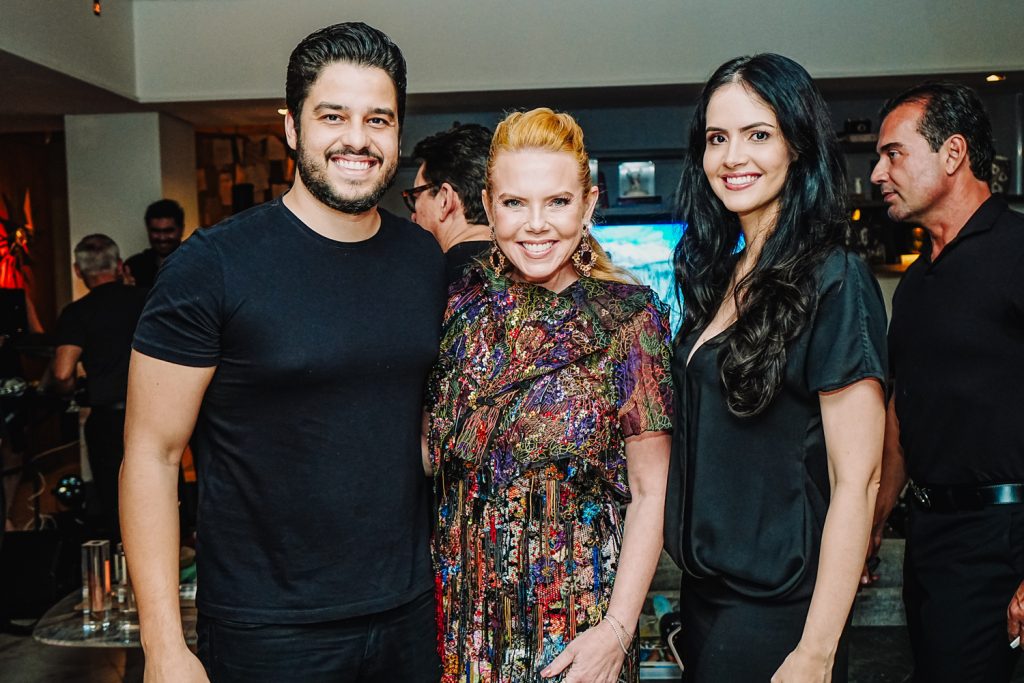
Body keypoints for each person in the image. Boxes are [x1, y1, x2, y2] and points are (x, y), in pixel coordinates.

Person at [121, 22, 445, 683]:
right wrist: (163, 644)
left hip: (407, 614)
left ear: (398, 136)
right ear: (293, 128)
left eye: (377, 119)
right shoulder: (212, 266)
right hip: (267, 629)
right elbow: (150, 454)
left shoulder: (420, 258)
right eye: (333, 116)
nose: (357, 138)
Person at [426, 108, 673, 683]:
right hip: (462, 628)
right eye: (515, 203)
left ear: (588, 205)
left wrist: (616, 630)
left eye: (557, 203)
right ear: (487, 206)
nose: (536, 225)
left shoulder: (628, 321)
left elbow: (650, 488)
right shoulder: (451, 309)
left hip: (579, 628)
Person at [663, 54, 888, 682]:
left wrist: (815, 652)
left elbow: (858, 483)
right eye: (717, 138)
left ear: (798, 145)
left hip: (781, 612)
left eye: (758, 134)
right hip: (707, 601)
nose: (733, 156)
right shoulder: (721, 277)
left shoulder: (837, 279)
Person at [868, 81, 1024, 683]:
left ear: (953, 153)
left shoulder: (1017, 252)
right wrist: (874, 526)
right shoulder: (915, 284)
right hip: (934, 541)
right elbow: (903, 416)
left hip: (1007, 536)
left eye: (894, 153)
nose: (879, 173)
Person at [50, 234, 147, 540]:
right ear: (118, 265)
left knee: (115, 499)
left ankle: (127, 573)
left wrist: (66, 391)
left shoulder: (77, 313)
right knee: (159, 491)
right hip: (152, 412)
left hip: (108, 417)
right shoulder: (147, 298)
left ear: (78, 271)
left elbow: (63, 370)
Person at [407, 123, 493, 285]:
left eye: (416, 197)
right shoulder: (531, 272)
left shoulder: (423, 285)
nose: (413, 216)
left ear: (445, 200)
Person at [123, 198, 185, 288]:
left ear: (181, 229)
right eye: (156, 231)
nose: (162, 237)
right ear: (148, 230)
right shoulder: (134, 267)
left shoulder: (197, 263)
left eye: (168, 231)